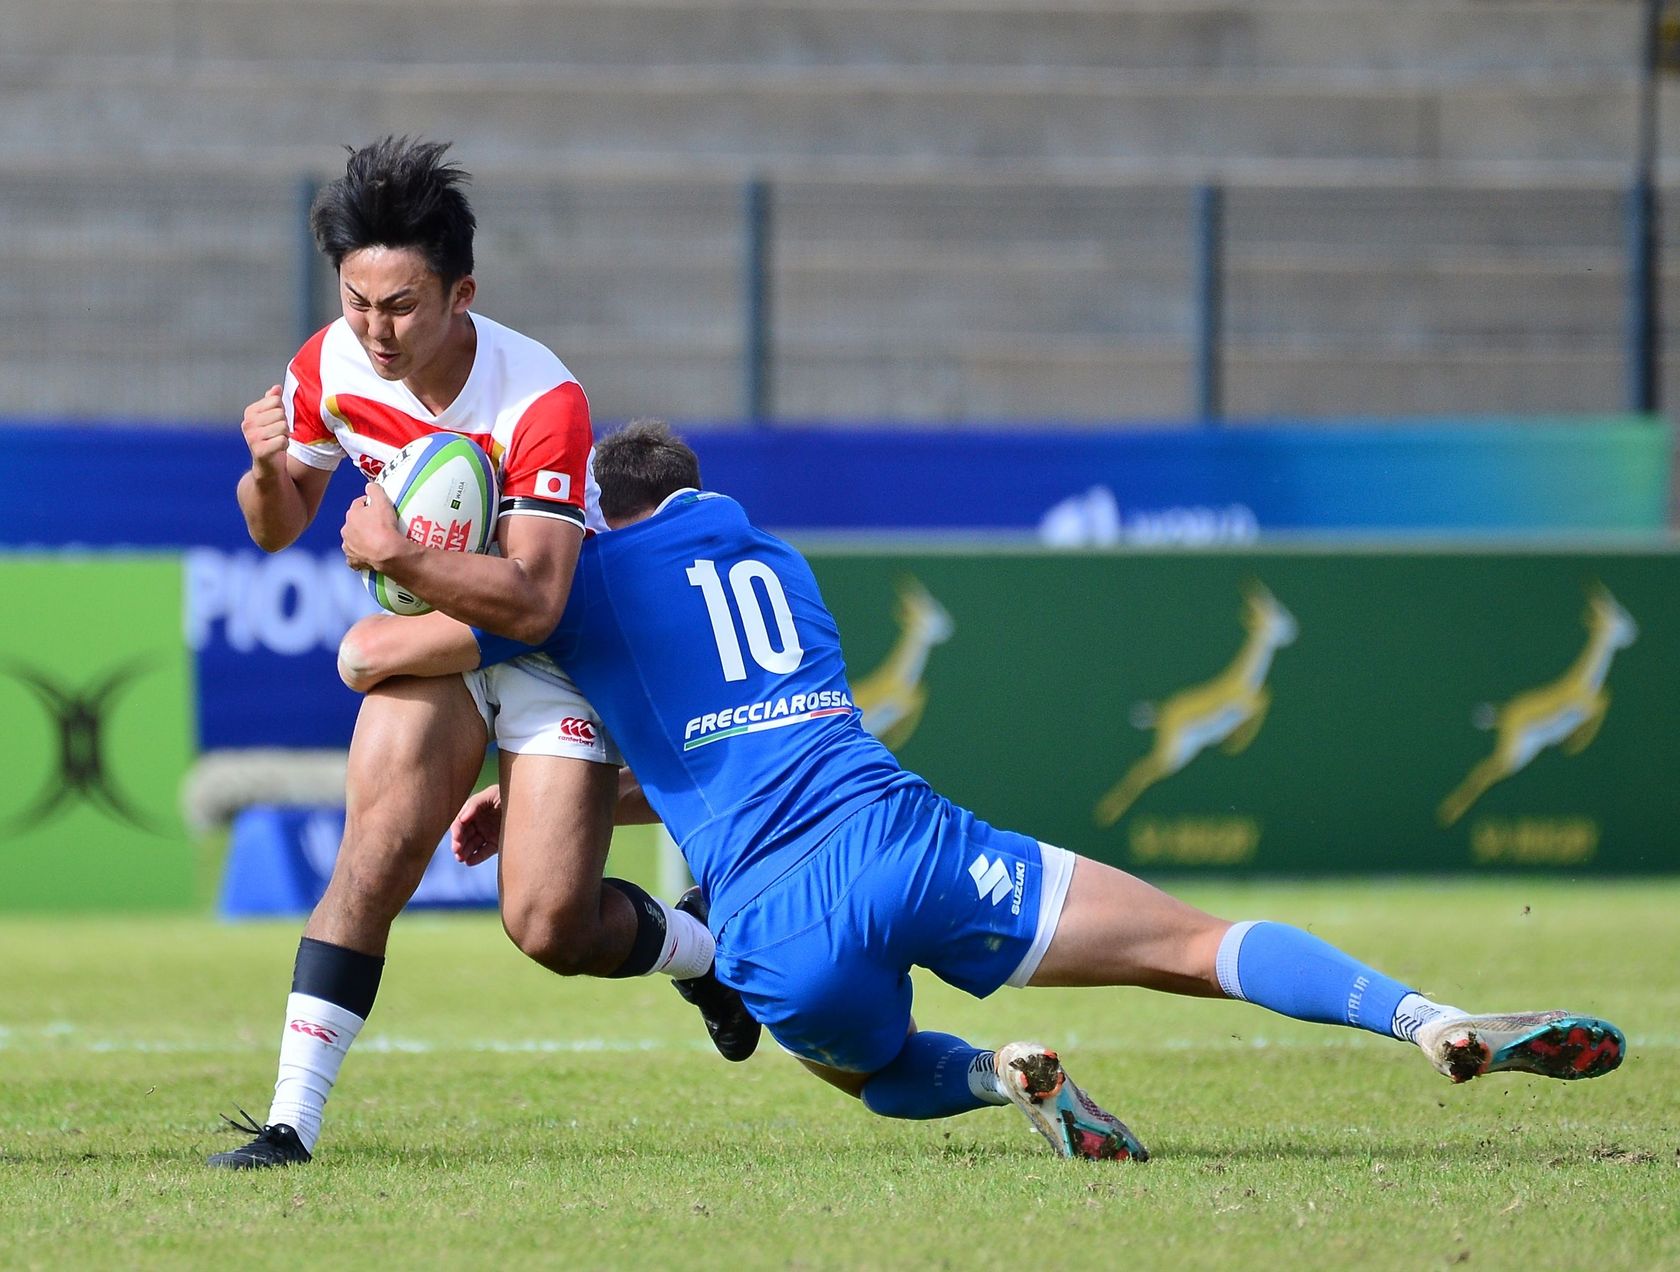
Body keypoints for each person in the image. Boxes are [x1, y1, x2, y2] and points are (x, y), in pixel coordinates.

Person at [339, 420, 1627, 1162]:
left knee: (873, 1066)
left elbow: (373, 650)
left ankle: (1001, 1076)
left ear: (597, 520)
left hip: (775, 923)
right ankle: (1425, 1020)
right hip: (911, 844)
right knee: (1197, 944)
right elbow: (757, 737)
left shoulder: (580, 588)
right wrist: (596, 799)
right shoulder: (774, 560)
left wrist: (416, 561)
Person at [211, 141, 750, 1171]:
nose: (376, 330)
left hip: (553, 654)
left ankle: (707, 956)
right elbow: (275, 527)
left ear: (463, 291)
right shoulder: (329, 363)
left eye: (403, 305)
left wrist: (399, 564)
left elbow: (541, 602)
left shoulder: (540, 397)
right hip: (448, 649)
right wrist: (269, 465)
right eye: (358, 301)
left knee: (551, 926)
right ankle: (289, 1125)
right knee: (371, 859)